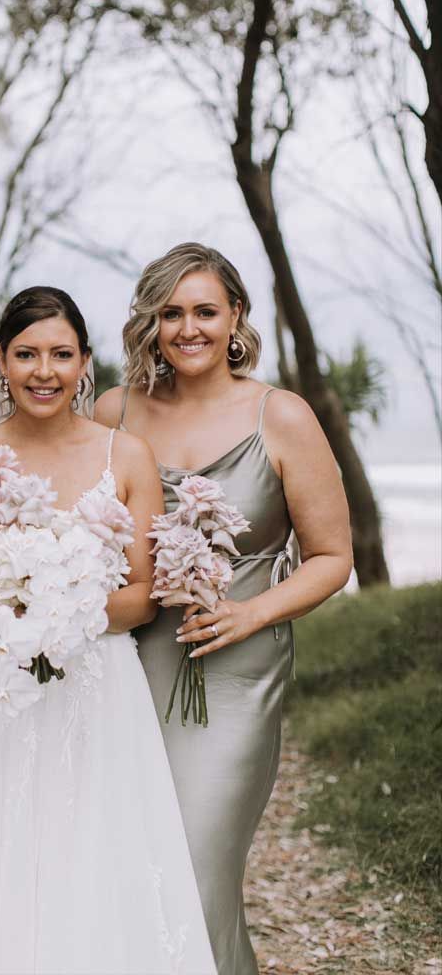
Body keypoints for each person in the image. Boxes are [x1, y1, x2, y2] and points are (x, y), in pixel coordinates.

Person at [0, 286, 216, 975]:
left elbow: (142, 596)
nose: (43, 371)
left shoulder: (128, 455)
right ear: (1, 360)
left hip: (100, 688)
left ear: (86, 363)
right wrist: (15, 623)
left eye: (60, 354)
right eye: (26, 354)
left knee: (94, 856)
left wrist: (72, 614)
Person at [95, 243, 353, 975]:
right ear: (150, 320)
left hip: (237, 668)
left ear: (236, 315)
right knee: (128, 866)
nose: (188, 328)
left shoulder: (284, 415)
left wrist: (253, 613)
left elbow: (334, 557)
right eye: (170, 312)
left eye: (205, 310)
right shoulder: (115, 411)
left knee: (197, 868)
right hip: (128, 663)